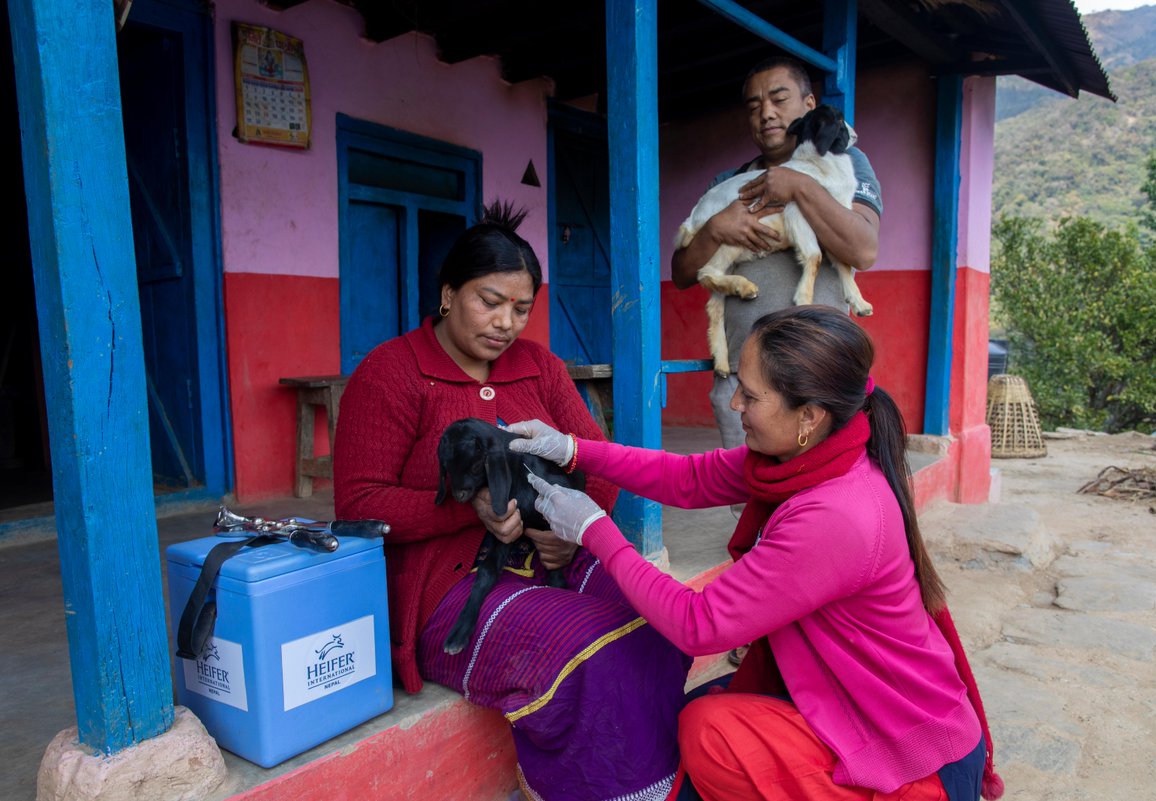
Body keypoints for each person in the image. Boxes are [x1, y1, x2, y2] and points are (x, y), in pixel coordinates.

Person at [508, 305, 1003, 801]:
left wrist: (594, 529)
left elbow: (698, 624)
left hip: (912, 759)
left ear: (808, 415)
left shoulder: (836, 513)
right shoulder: (804, 456)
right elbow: (688, 478)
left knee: (707, 729)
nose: (734, 404)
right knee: (695, 709)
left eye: (751, 394)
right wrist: (573, 449)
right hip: (856, 699)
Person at [334, 201, 691, 801]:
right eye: (489, 301)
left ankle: (661, 776)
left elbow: (595, 459)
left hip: (554, 555)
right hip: (449, 585)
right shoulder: (393, 372)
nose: (506, 322)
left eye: (521, 308)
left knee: (663, 619)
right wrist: (465, 507)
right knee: (581, 646)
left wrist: (568, 529)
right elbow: (359, 505)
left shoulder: (539, 367)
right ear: (448, 294)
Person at [671, 55, 883, 451]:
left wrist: (799, 186)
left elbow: (864, 247)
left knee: (821, 500)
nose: (766, 113)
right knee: (750, 503)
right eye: (754, 106)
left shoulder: (845, 163)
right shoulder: (729, 184)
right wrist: (716, 229)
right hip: (743, 381)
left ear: (808, 105)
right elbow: (682, 272)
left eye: (778, 99)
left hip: (820, 375)